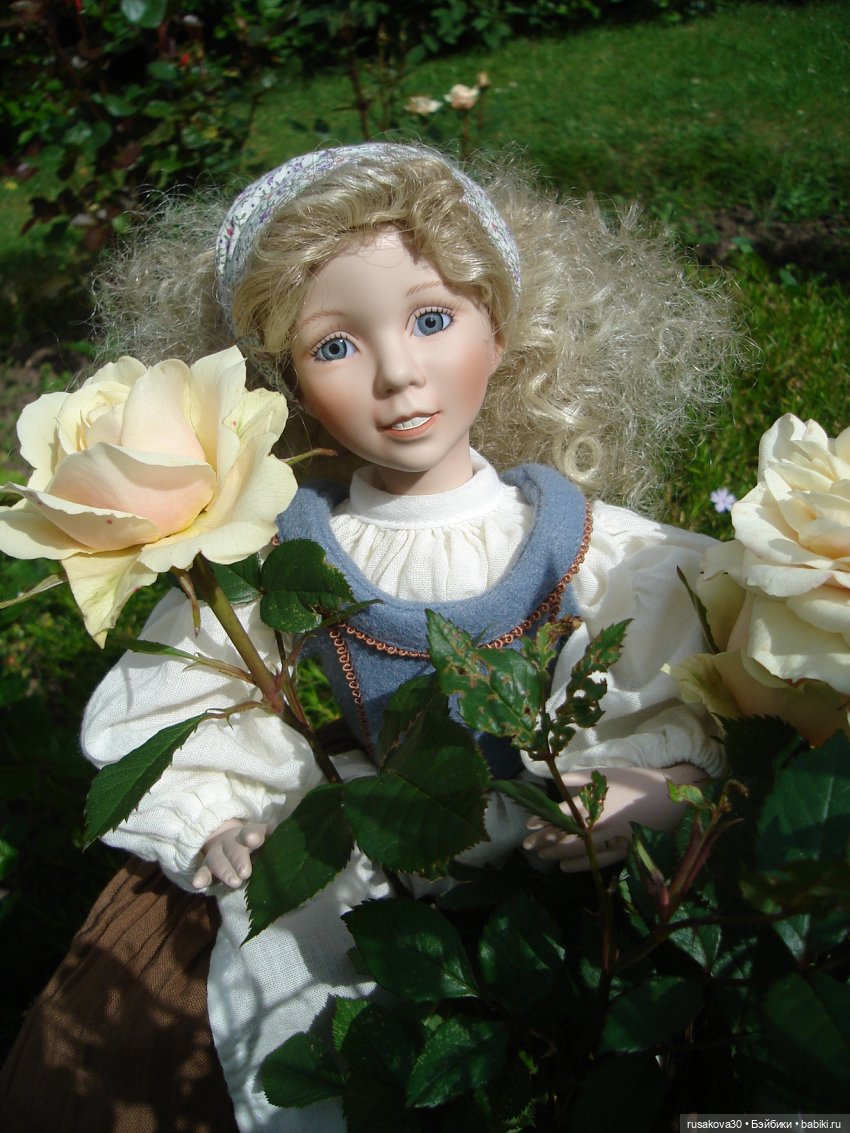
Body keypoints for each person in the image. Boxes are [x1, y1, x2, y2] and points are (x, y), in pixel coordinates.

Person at [0, 143, 738, 1132]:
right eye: (336, 345)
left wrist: (656, 782)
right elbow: (199, 686)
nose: (398, 373)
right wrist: (214, 813)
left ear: (501, 329)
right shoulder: (286, 557)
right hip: (366, 853)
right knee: (263, 1007)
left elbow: (680, 677)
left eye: (433, 320)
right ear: (285, 383)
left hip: (559, 857)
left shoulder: (590, 551)